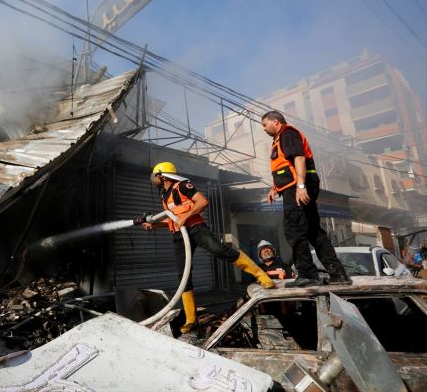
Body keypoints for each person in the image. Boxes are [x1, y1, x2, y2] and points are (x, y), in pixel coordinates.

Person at [142, 162, 275, 333]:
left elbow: (202, 201)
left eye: (154, 176)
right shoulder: (164, 195)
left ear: (162, 175)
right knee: (184, 276)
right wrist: (155, 226)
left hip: (196, 228)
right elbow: (172, 219)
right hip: (179, 236)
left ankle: (261, 276)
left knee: (221, 251)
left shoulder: (182, 186)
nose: (153, 180)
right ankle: (191, 319)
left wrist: (185, 218)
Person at [262, 111, 350, 288]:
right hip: (294, 187)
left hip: (298, 188)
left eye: (265, 125)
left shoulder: (288, 133)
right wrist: (274, 188)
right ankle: (338, 273)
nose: (264, 129)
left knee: (294, 231)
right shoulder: (280, 138)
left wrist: (301, 187)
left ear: (275, 122)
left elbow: (299, 158)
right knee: (313, 231)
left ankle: (308, 275)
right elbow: (285, 167)